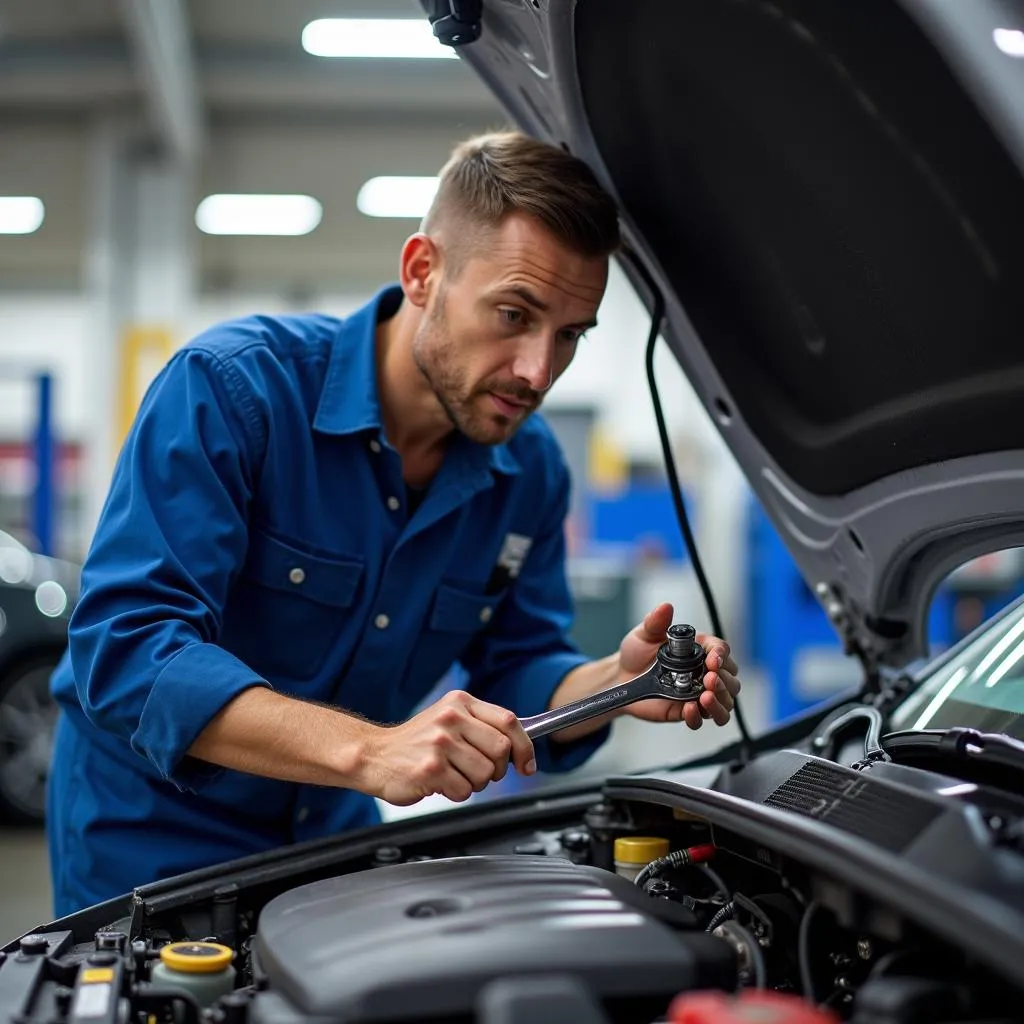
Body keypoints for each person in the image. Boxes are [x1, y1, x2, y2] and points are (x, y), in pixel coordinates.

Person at [46, 131, 742, 916]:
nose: (538, 371)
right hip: (149, 835)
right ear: (422, 272)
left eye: (571, 335)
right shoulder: (234, 392)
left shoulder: (529, 469)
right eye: (514, 314)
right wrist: (374, 750)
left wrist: (612, 685)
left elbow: (518, 666)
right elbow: (129, 651)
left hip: (331, 831)